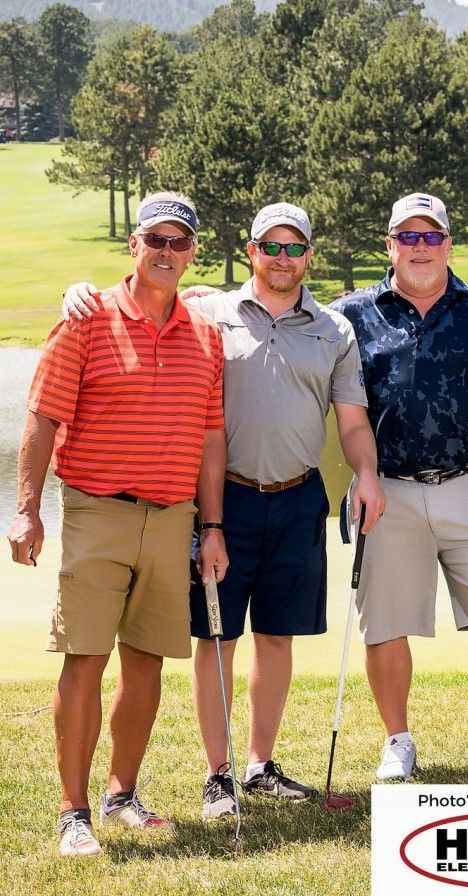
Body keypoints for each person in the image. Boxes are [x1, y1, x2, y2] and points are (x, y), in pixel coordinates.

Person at [61, 201, 386, 819]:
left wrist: (366, 473)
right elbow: (144, 296)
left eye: (294, 248)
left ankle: (260, 766)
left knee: (278, 634)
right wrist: (79, 292)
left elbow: (351, 421)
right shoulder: (209, 312)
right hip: (222, 498)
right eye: (271, 247)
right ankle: (219, 774)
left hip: (299, 496)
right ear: (251, 251)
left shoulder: (334, 330)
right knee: (218, 635)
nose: (282, 258)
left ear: (308, 255)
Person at [9, 191, 229, 858]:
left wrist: (213, 526)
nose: (166, 251)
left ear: (192, 253)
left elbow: (210, 439)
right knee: (85, 657)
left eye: (179, 242)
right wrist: (25, 510)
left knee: (146, 661)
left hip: (172, 518)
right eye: (154, 239)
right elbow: (42, 418)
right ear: (134, 245)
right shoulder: (84, 320)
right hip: (97, 511)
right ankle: (72, 812)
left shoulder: (205, 335)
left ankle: (121, 794)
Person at [330, 192, 468, 780]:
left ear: (448, 244)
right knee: (384, 622)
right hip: (388, 492)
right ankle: (398, 741)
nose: (420, 247)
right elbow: (288, 317)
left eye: (431, 236)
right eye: (408, 236)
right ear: (390, 245)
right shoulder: (352, 315)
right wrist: (212, 302)